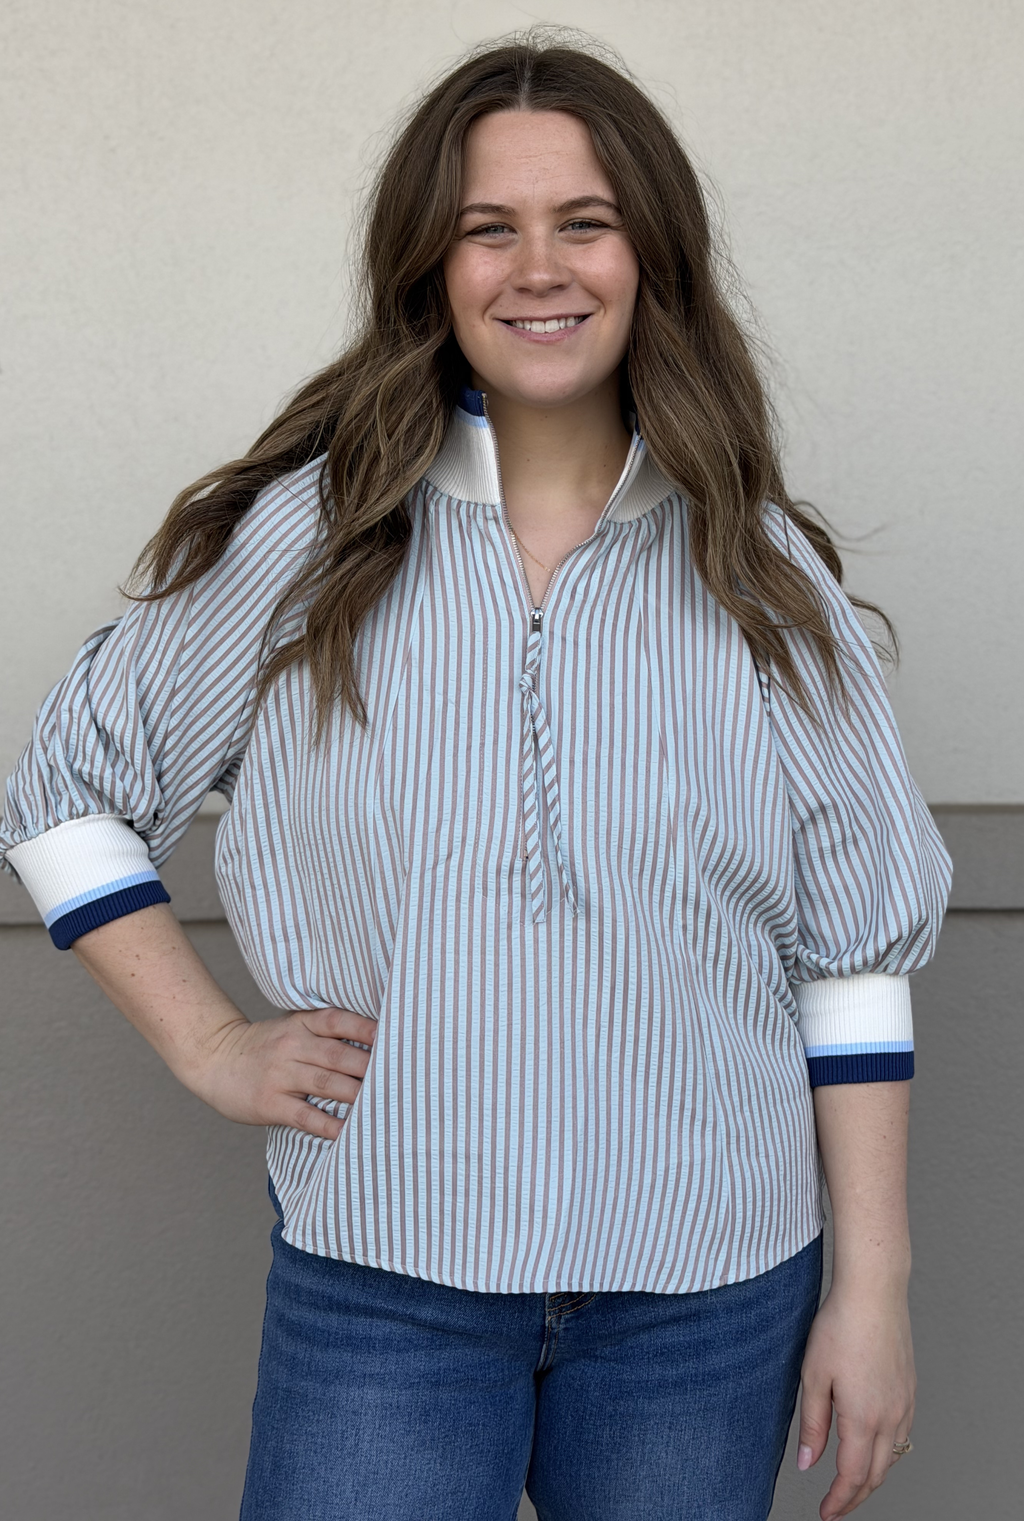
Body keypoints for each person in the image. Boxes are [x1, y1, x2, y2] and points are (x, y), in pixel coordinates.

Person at [0, 33, 951, 1521]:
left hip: (707, 1302)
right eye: (486, 229)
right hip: (387, 1281)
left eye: (585, 221)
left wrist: (874, 1293)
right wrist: (207, 1045)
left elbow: (854, 957)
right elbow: (63, 787)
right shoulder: (309, 543)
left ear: (652, 255)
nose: (538, 268)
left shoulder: (763, 578)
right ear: (430, 270)